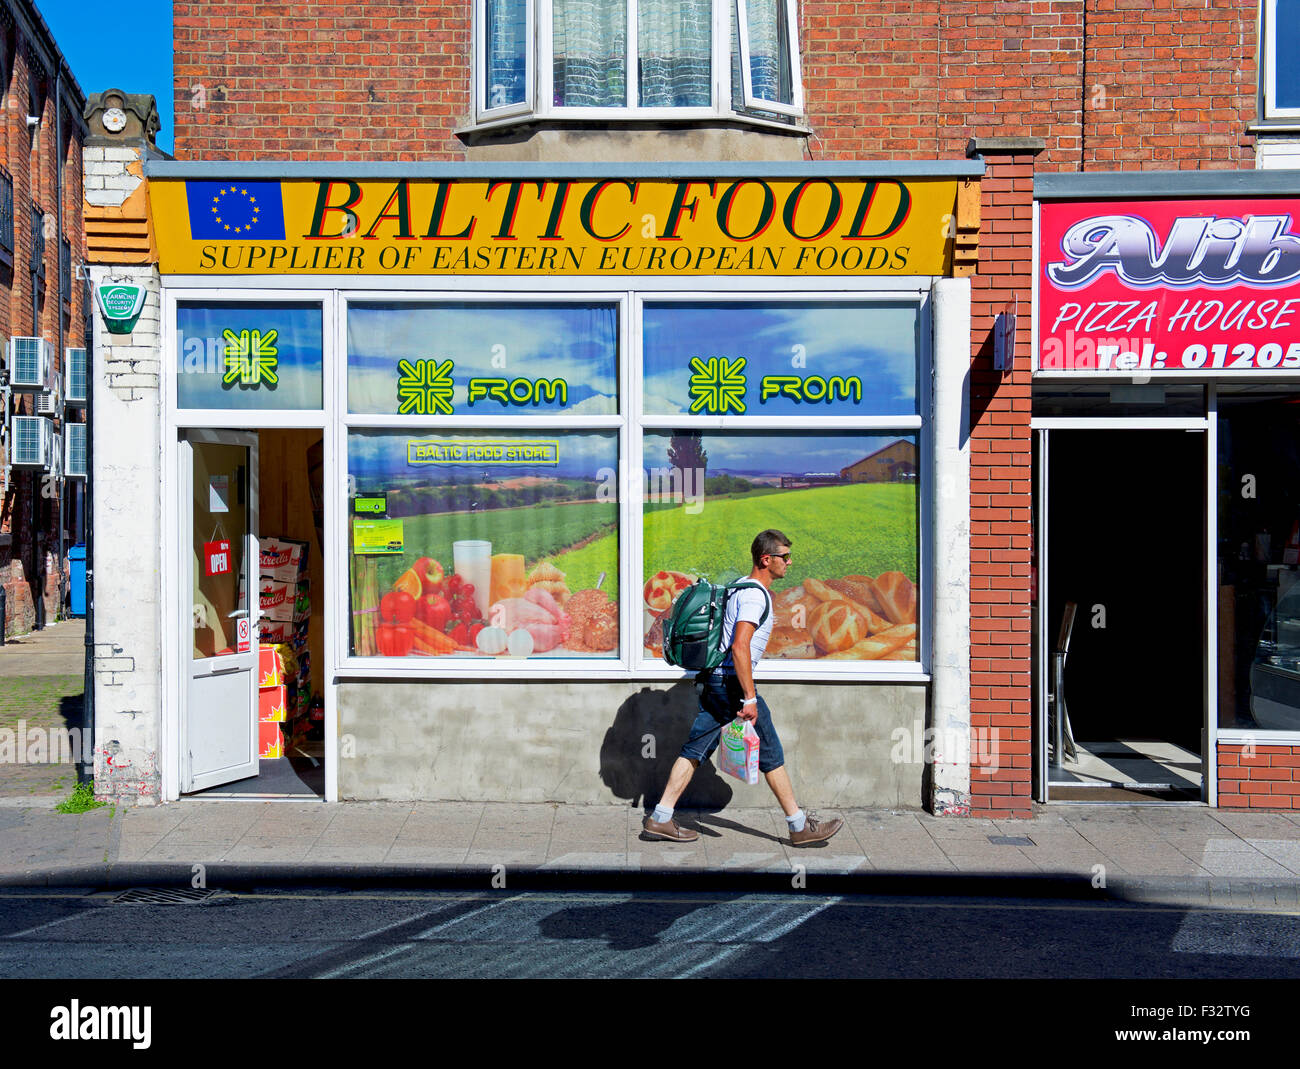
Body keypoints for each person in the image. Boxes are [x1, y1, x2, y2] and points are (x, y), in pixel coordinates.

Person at [642, 529, 844, 847]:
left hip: (716, 682)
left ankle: (660, 818)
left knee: (695, 749)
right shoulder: (753, 595)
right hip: (732, 686)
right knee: (771, 753)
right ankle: (799, 827)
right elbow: (740, 646)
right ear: (766, 559)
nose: (789, 562)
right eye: (784, 556)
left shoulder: (738, 586)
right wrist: (749, 698)